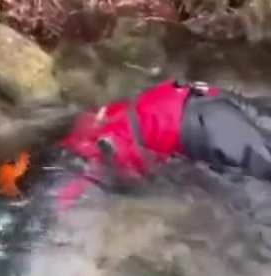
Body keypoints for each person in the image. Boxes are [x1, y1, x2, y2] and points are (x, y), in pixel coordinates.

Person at [54, 79, 271, 208]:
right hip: (207, 97)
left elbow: (69, 197)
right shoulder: (106, 116)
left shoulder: (95, 155)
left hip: (205, 127)